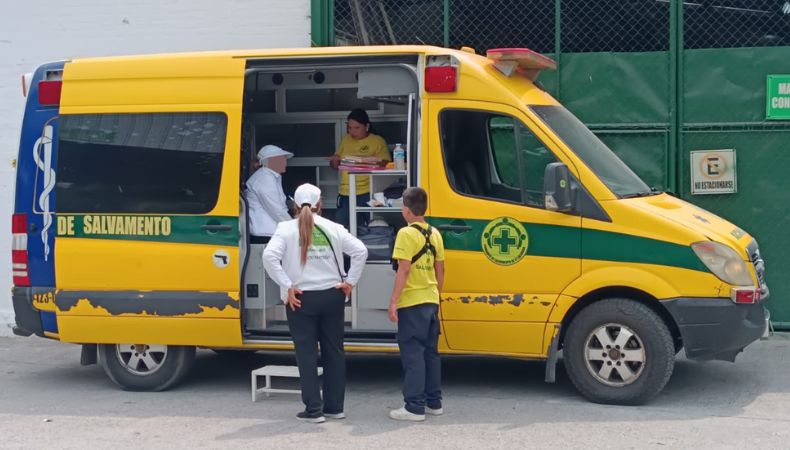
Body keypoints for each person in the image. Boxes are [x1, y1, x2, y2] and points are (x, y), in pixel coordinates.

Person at [262, 183, 368, 423]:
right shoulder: (334, 227)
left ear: (295, 206)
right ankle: (334, 407)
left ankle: (313, 410)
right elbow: (361, 251)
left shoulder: (285, 228)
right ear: (320, 204)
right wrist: (350, 282)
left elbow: (269, 256)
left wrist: (287, 285)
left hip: (300, 298)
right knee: (334, 352)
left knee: (307, 354)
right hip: (332, 296)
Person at [387, 187, 446, 422]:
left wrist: (393, 301)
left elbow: (404, 268)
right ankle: (434, 402)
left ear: (406, 210)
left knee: (413, 355)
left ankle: (413, 407)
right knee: (431, 354)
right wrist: (435, 294)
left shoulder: (405, 234)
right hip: (431, 301)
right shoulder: (436, 234)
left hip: (412, 303)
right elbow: (440, 270)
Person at [327, 108, 391, 230]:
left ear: (366, 126)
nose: (352, 131)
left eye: (357, 128)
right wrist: (334, 160)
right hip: (345, 192)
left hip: (367, 191)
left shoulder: (377, 141)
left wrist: (364, 160)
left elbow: (386, 163)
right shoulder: (346, 140)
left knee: (368, 226)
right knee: (341, 226)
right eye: (350, 128)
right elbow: (336, 166)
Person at [246, 144, 293, 244]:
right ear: (270, 161)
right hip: (265, 235)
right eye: (282, 159)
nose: (285, 162)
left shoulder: (270, 176)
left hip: (267, 233)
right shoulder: (265, 178)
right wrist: (294, 228)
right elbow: (276, 210)